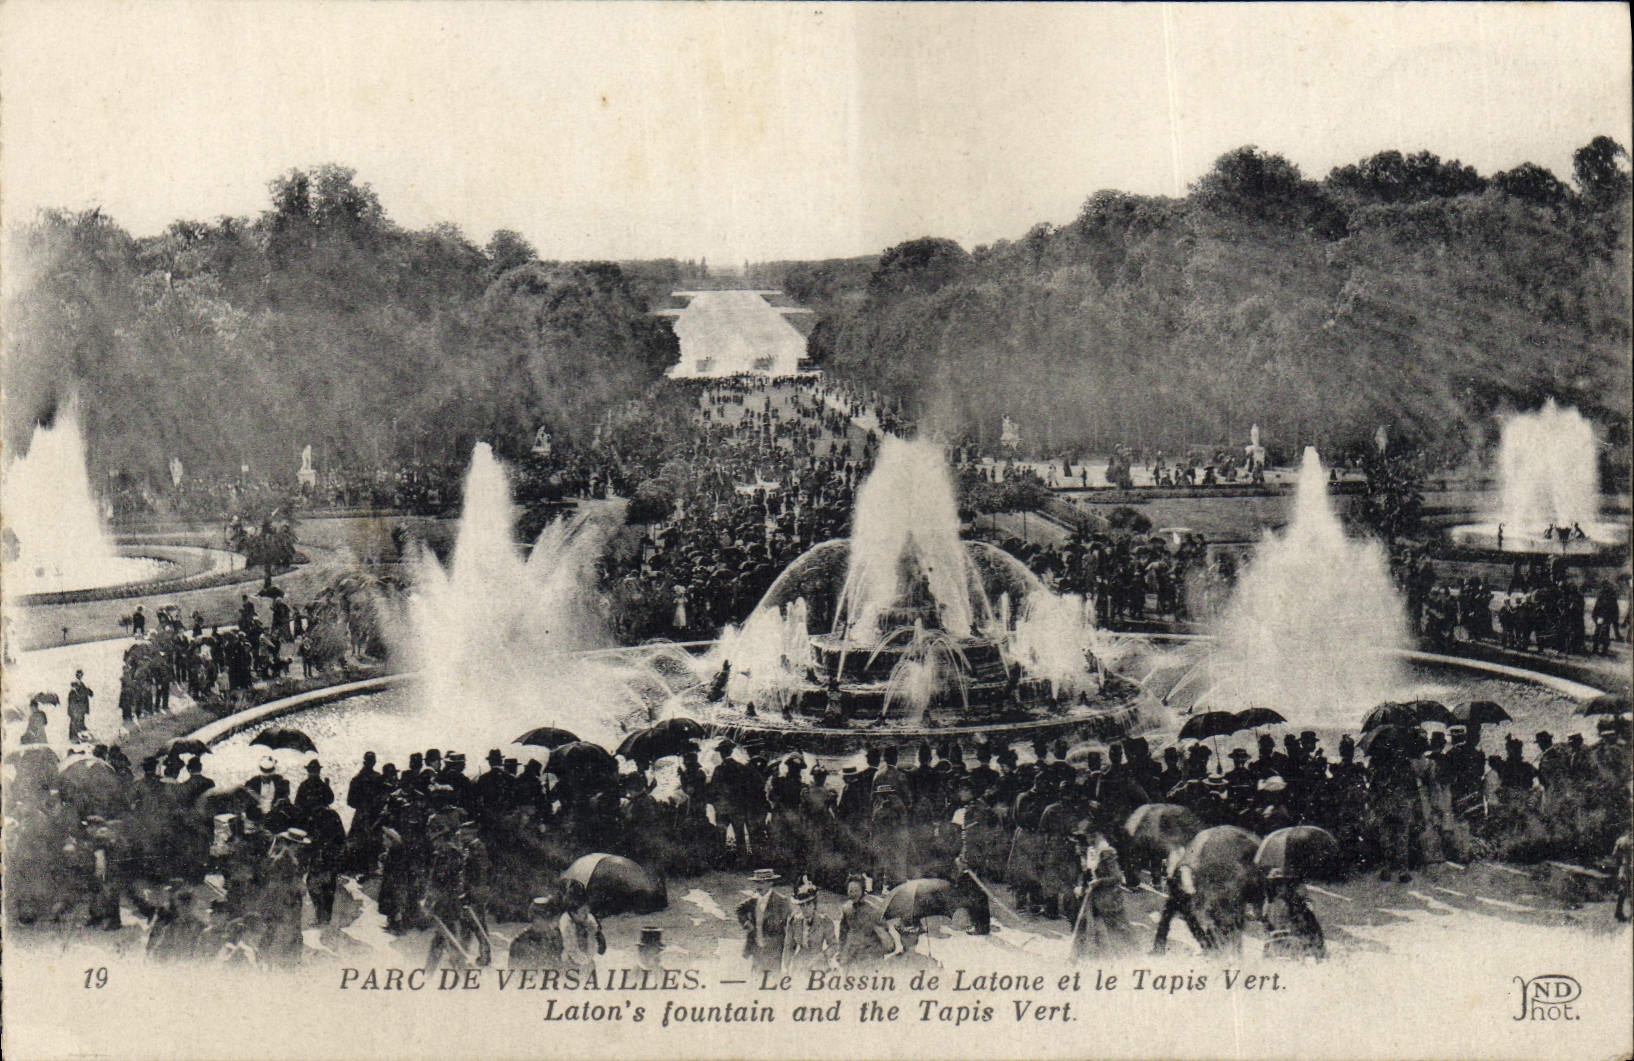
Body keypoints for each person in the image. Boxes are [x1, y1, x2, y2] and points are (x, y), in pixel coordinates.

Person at [736, 868, 792, 973]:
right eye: (757, 883)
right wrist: (746, 923)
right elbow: (739, 909)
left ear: (770, 883)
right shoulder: (753, 900)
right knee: (755, 977)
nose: (758, 886)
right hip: (756, 947)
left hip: (773, 950)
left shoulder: (781, 901)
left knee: (772, 977)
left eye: (762, 883)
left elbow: (786, 923)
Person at [1261, 872, 1325, 960]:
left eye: (1281, 884)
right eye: (1275, 884)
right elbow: (1266, 925)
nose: (1278, 887)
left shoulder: (1295, 904)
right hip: (1279, 943)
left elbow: (1308, 926)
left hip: (1293, 943)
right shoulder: (1269, 904)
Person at [507, 893, 566, 969]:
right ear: (537, 919)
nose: (556, 924)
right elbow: (514, 972)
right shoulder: (520, 942)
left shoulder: (556, 937)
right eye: (550, 919)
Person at [67, 670, 94, 742]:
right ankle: (74, 738)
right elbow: (77, 696)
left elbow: (89, 693)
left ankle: (79, 737)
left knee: (79, 722)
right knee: (75, 723)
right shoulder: (75, 686)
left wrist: (88, 691)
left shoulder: (82, 684)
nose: (80, 676)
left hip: (80, 708)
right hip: (76, 708)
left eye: (81, 675)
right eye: (78, 675)